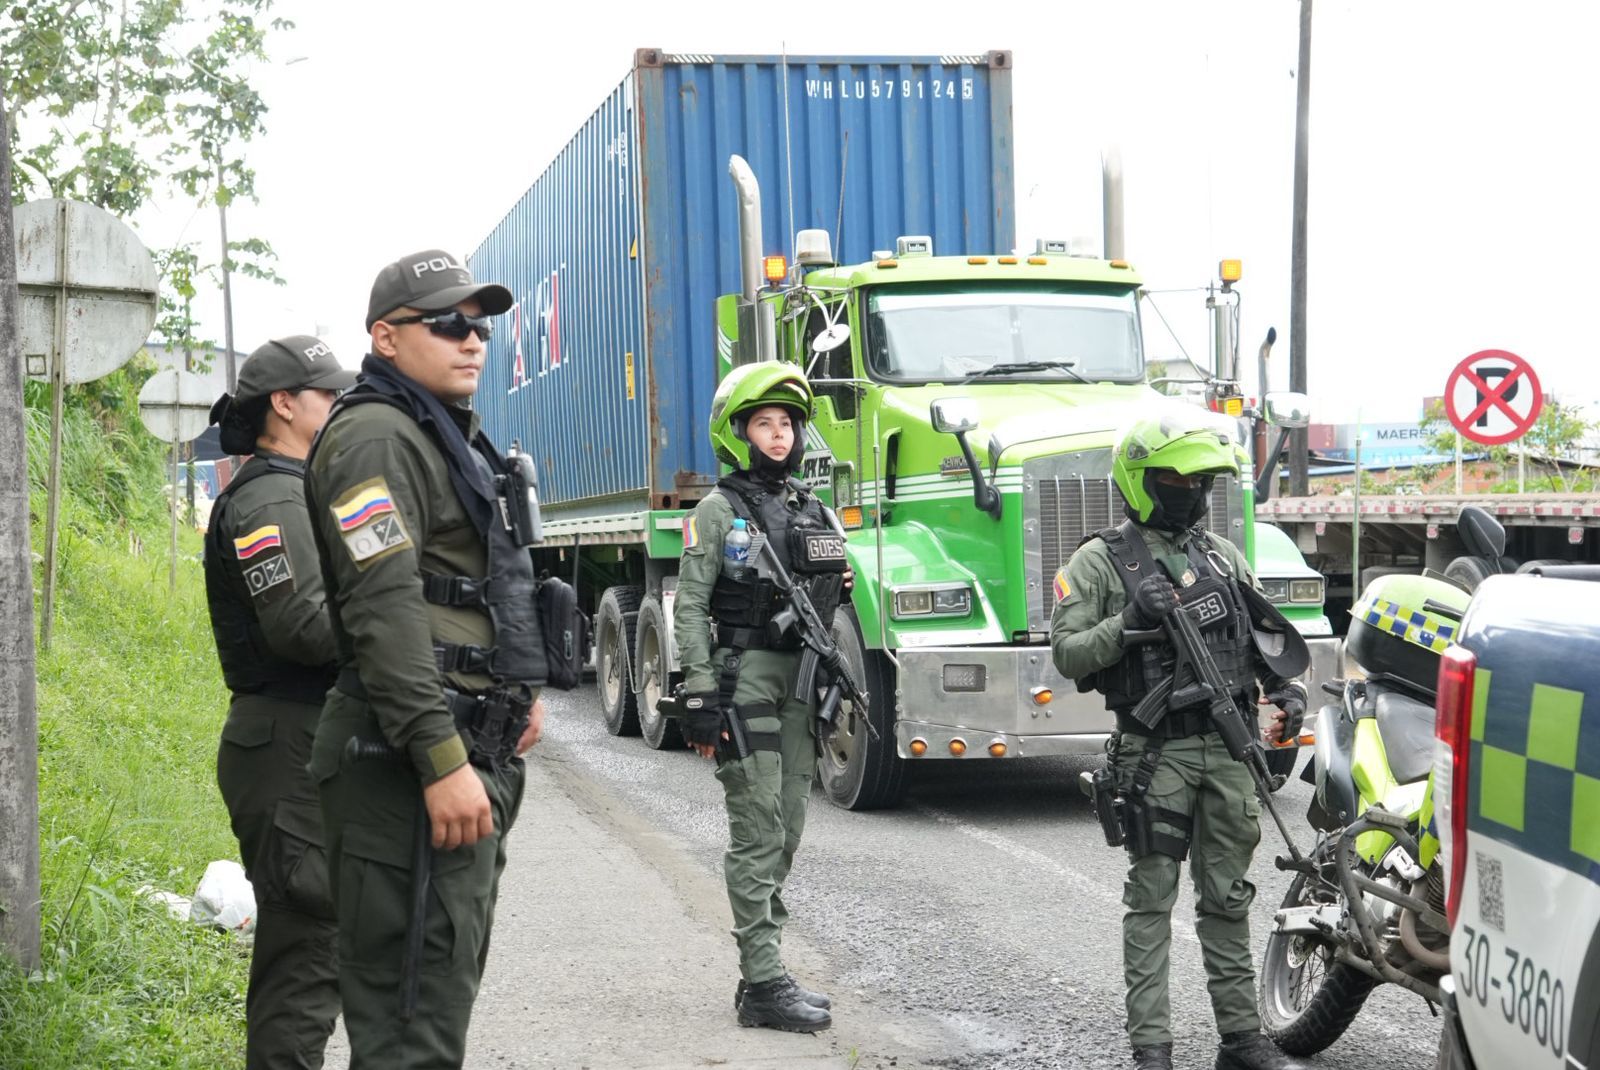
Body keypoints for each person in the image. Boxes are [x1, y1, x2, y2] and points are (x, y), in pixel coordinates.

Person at [302, 250, 547, 1068]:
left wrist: (519, 694)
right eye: (447, 323)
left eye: (478, 325)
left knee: (436, 1003)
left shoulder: (439, 432)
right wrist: (441, 760)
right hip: (403, 768)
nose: (471, 339)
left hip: (461, 752)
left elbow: (481, 584)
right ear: (386, 337)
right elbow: (386, 609)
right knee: (410, 1031)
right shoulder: (374, 437)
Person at [1050, 408, 1310, 1070]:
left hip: (1227, 752)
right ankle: (1152, 1047)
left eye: (1203, 482)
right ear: (1141, 480)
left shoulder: (1220, 555)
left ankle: (1241, 1040)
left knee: (1227, 896)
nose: (1193, 492)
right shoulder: (1099, 562)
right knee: (1151, 899)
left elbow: (1259, 645)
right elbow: (1068, 654)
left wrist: (1285, 695)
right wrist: (1129, 623)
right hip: (1154, 754)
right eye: (1178, 478)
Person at [672, 362, 851, 1033]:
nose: (778, 436)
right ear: (739, 434)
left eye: (786, 424)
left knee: (791, 828)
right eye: (764, 424)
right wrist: (696, 690)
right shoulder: (717, 512)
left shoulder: (814, 508)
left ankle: (763, 975)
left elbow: (840, 594)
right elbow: (689, 606)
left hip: (802, 679)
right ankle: (764, 979)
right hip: (743, 674)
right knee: (758, 830)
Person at [204, 335, 356, 1069]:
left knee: (315, 951)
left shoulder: (302, 485)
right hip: (287, 740)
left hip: (302, 739)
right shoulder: (268, 495)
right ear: (284, 405)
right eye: (327, 393)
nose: (339, 405)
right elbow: (301, 627)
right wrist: (398, 619)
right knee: (304, 957)